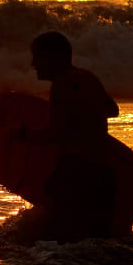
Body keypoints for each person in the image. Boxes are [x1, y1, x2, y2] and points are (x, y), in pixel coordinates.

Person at [19, 31, 119, 238]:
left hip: (75, 174)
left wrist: (25, 136)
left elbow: (55, 133)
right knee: (95, 240)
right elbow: (111, 109)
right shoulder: (86, 77)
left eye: (37, 56)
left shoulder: (63, 84)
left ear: (55, 57)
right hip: (104, 174)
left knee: (44, 236)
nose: (33, 63)